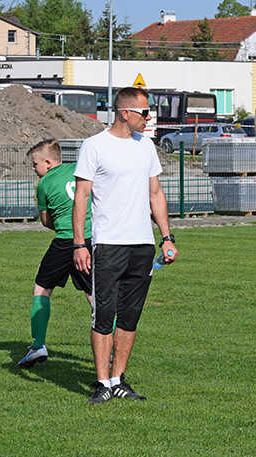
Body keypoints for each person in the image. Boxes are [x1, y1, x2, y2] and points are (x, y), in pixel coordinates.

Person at [72, 86, 179, 404]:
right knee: (103, 316)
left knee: (130, 317)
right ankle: (102, 382)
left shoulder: (146, 147)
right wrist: (80, 244)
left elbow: (155, 194)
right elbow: (81, 197)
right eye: (145, 112)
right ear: (125, 113)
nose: (149, 118)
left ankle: (118, 379)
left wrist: (167, 237)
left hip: (142, 247)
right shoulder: (94, 146)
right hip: (108, 245)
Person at [19, 139, 93, 369]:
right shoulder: (79, 169)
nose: (34, 168)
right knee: (95, 295)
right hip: (91, 240)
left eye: (35, 163)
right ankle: (109, 347)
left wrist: (63, 226)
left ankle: (38, 345)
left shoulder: (44, 184)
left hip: (65, 242)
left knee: (42, 288)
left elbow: (45, 221)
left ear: (48, 163)